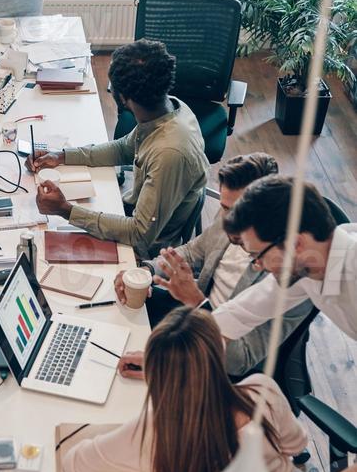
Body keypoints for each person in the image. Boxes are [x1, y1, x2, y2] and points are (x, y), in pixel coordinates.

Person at [62, 308, 308, 472]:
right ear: (221, 354)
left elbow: (77, 466)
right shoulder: (264, 391)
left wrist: (166, 379)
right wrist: (177, 377)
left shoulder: (159, 430)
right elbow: (296, 445)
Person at [114, 152, 312, 377]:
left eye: (235, 210)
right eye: (224, 207)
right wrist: (146, 270)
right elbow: (191, 251)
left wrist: (196, 302)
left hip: (217, 360)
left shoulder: (293, 274)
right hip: (193, 315)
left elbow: (238, 362)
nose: (227, 220)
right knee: (115, 310)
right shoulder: (231, 217)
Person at [28, 40, 209, 259]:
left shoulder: (168, 153)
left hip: (145, 248)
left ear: (124, 98)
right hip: (137, 212)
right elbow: (124, 148)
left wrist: (65, 210)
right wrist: (62, 156)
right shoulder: (169, 108)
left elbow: (140, 234)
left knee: (42, 246)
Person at [213, 176, 357, 341]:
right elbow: (242, 311)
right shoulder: (308, 265)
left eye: (258, 255)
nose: (257, 265)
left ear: (296, 243)